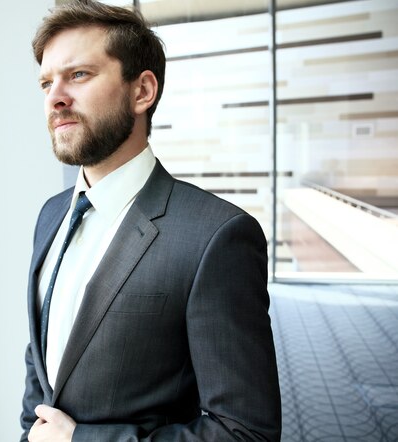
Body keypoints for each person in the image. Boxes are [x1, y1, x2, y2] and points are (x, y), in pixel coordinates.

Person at [21, 1, 281, 440]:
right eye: (47, 82)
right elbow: (41, 362)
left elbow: (244, 432)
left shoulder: (215, 238)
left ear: (142, 91)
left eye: (78, 75)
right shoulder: (50, 215)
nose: (55, 97)